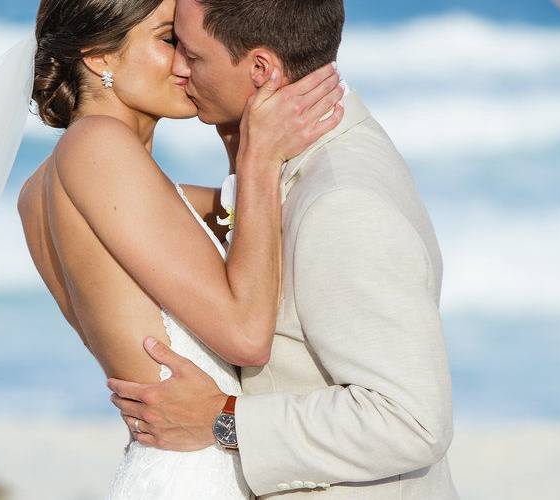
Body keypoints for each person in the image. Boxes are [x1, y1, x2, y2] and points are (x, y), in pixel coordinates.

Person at [106, 0, 460, 498]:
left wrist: (222, 421)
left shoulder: (341, 200)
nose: (178, 69)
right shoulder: (289, 159)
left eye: (193, 53)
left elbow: (412, 420)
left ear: (260, 69)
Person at [17, 0, 343, 498]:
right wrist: (259, 157)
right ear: (100, 57)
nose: (186, 63)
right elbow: (246, 333)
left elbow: (251, 222)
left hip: (169, 467)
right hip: (197, 471)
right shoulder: (97, 146)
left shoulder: (46, 186)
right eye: (170, 40)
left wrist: (239, 132)